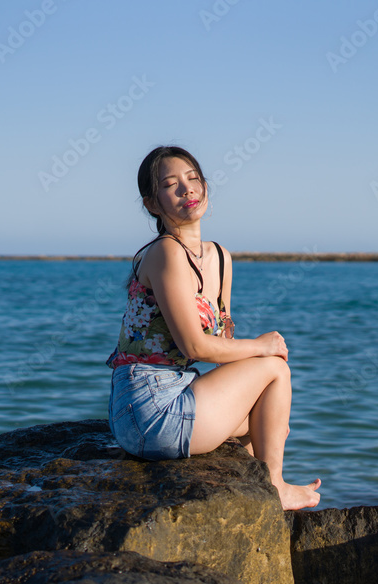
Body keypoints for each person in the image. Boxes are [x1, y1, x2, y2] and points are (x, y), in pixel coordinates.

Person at [106, 145, 321, 511]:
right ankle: (275, 487)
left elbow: (222, 346)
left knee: (268, 414)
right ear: (152, 205)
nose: (186, 189)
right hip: (146, 408)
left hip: (178, 389)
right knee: (274, 368)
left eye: (193, 179)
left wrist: (267, 417)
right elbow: (195, 347)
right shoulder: (165, 253)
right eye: (171, 184)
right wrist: (263, 346)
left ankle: (257, 498)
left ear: (205, 186)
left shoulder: (220, 257)